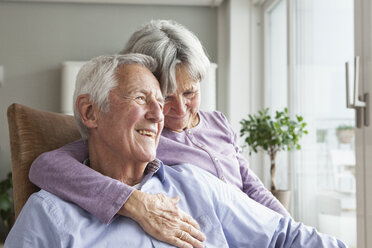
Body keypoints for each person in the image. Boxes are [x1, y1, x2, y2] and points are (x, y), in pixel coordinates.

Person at [6, 54, 346, 247]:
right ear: (90, 112)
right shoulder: (49, 215)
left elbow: (283, 236)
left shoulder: (195, 184)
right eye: (141, 99)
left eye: (160, 100)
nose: (159, 115)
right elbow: (47, 165)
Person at [29, 20, 288, 247]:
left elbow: (252, 186)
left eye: (190, 93)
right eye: (164, 97)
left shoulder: (218, 122)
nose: (178, 109)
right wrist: (132, 201)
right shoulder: (142, 141)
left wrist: (285, 226)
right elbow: (46, 166)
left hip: (254, 231)